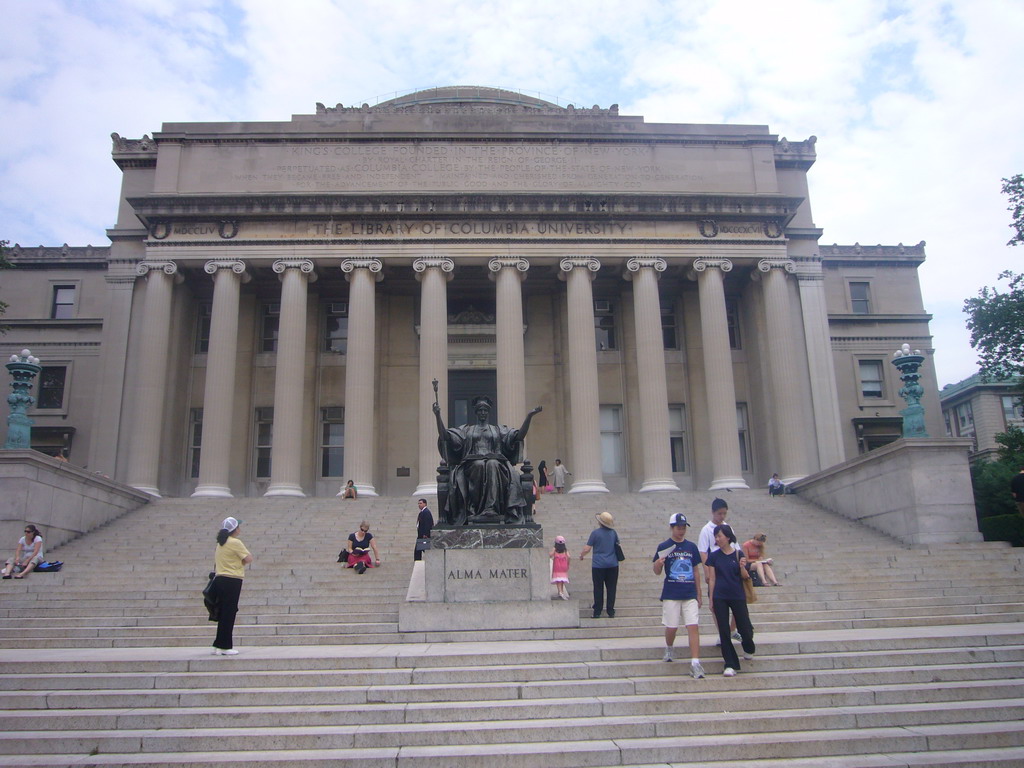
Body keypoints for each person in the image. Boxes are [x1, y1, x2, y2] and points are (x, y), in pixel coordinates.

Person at [433, 395, 542, 524]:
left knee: (492, 464)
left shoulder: (498, 430)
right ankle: (474, 509)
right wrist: (438, 416)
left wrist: (529, 416)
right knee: (479, 465)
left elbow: (518, 436)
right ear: (476, 412)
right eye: (480, 410)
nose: (483, 413)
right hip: (471, 464)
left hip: (497, 464)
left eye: (485, 410)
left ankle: (491, 509)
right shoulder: (467, 430)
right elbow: (446, 436)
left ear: (488, 412)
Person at [653, 513, 705, 678]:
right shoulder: (664, 546)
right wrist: (658, 564)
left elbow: (696, 570)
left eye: (683, 528)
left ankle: (695, 663)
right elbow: (656, 572)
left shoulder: (691, 547)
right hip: (671, 592)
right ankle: (669, 647)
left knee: (692, 626)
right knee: (672, 626)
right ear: (672, 528)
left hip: (689, 592)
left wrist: (699, 593)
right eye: (678, 527)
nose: (681, 531)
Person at [705, 523, 756, 677]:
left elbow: (745, 576)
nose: (717, 538)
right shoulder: (713, 556)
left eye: (719, 535)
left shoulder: (739, 554)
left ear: (728, 537)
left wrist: (742, 566)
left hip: (737, 595)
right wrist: (711, 599)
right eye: (716, 536)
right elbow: (712, 579)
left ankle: (748, 646)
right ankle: (730, 663)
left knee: (744, 627)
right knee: (724, 630)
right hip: (720, 596)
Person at [699, 498, 740, 642]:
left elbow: (735, 546)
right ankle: (723, 633)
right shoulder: (706, 530)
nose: (722, 517)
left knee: (738, 601)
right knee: (716, 605)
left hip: (730, 569)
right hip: (715, 569)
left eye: (724, 513)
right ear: (713, 513)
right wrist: (707, 572)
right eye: (719, 514)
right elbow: (703, 552)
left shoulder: (727, 527)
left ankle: (732, 629)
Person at [210, 517, 252, 656]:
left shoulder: (220, 543)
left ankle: (218, 644)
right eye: (238, 526)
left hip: (220, 579)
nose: (240, 529)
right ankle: (225, 646)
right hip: (232, 580)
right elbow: (248, 558)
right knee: (229, 612)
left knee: (223, 613)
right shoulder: (235, 542)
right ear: (235, 529)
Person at [580, 511, 621, 618]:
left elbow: (587, 548)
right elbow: (618, 545)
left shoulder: (595, 533)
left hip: (598, 565)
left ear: (600, 522)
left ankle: (597, 611)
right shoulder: (613, 533)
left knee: (598, 588)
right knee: (611, 588)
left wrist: (582, 555)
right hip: (613, 564)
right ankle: (610, 610)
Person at [550, 535, 570, 600]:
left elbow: (550, 555)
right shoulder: (565, 550)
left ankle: (560, 592)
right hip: (564, 566)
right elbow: (569, 556)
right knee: (562, 579)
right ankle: (561, 592)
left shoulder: (555, 549)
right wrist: (568, 563)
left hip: (557, 566)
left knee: (558, 579)